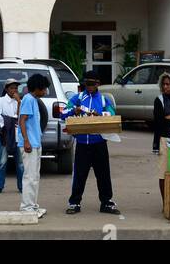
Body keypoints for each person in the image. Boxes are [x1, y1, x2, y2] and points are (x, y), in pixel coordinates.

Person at [61, 75, 121, 215]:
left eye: (92, 84)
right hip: (82, 143)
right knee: (79, 175)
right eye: (87, 83)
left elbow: (112, 114)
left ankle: (106, 202)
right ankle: (74, 203)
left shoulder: (103, 99)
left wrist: (99, 114)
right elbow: (62, 113)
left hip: (99, 143)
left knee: (103, 174)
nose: (89, 86)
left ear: (98, 84)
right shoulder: (78, 98)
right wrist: (73, 111)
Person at [18, 73, 50, 215]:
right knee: (29, 176)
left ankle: (33, 206)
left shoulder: (34, 100)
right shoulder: (28, 100)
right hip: (29, 144)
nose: (45, 92)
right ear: (37, 88)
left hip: (35, 143)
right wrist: (26, 140)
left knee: (35, 176)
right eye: (43, 89)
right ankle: (26, 208)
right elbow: (22, 120)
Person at [0, 78, 23, 195]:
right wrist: (8, 123)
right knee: (2, 161)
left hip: (17, 135)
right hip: (4, 134)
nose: (14, 90)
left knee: (20, 162)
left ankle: (22, 186)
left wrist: (19, 102)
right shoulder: (0, 101)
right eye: (11, 88)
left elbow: (20, 117)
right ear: (6, 89)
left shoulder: (19, 101)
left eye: (16, 88)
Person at [152, 71, 170, 154]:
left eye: (168, 84)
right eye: (163, 84)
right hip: (165, 138)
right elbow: (159, 122)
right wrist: (156, 145)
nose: (165, 87)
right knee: (164, 166)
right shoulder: (159, 100)